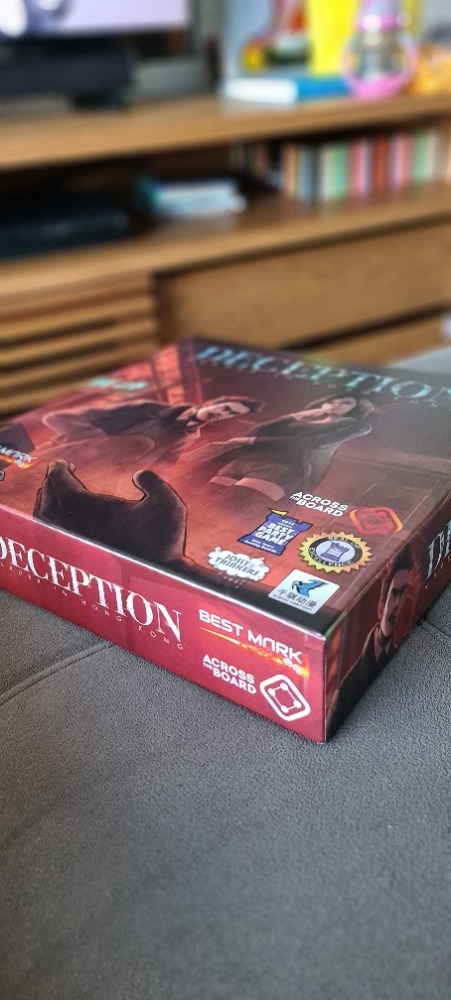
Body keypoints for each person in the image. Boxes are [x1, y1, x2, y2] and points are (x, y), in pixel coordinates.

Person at [185, 394, 374, 503]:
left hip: (281, 466)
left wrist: (254, 441)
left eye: (346, 402)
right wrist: (295, 416)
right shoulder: (300, 420)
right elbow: (255, 430)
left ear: (357, 408)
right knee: (205, 501)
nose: (336, 404)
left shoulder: (354, 425)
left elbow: (316, 442)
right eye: (332, 401)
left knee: (236, 505)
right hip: (243, 461)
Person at [329, 543, 415, 731]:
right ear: (381, 602)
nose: (397, 604)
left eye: (402, 593)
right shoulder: (344, 692)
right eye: (394, 594)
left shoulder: (398, 648)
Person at [43, 395, 263, 465]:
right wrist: (81, 440)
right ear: (213, 402)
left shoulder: (191, 436)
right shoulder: (150, 408)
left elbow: (163, 463)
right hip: (69, 451)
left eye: (231, 414)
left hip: (101, 472)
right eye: (225, 408)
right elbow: (68, 418)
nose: (223, 414)